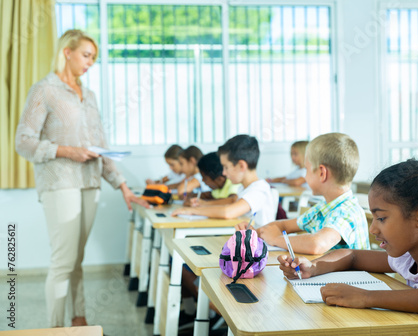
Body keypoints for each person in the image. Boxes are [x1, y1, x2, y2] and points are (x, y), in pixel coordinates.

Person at [15, 29, 150, 328]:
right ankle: (55, 329)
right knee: (63, 260)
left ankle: (79, 319)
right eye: (86, 55)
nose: (90, 62)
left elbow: (100, 144)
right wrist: (67, 151)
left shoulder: (88, 95)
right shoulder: (44, 90)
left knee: (76, 258)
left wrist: (124, 186)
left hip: (90, 182)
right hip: (59, 182)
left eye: (93, 58)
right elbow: (23, 141)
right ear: (67, 52)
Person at [279, 159, 418, 336]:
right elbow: (353, 256)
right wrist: (313, 267)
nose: (373, 229)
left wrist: (367, 297)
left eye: (381, 218)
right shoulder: (409, 253)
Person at [240, 133, 369, 255]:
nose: (305, 175)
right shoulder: (323, 208)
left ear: (322, 173)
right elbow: (284, 225)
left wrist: (276, 239)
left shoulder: (346, 211)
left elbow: (317, 244)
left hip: (350, 278)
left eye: (306, 169)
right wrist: (256, 232)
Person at [172, 134, 276, 228]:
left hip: (261, 246)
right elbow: (229, 203)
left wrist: (192, 211)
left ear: (241, 166)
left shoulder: (258, 191)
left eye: (226, 167)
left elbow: (228, 212)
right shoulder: (243, 188)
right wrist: (203, 204)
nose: (224, 173)